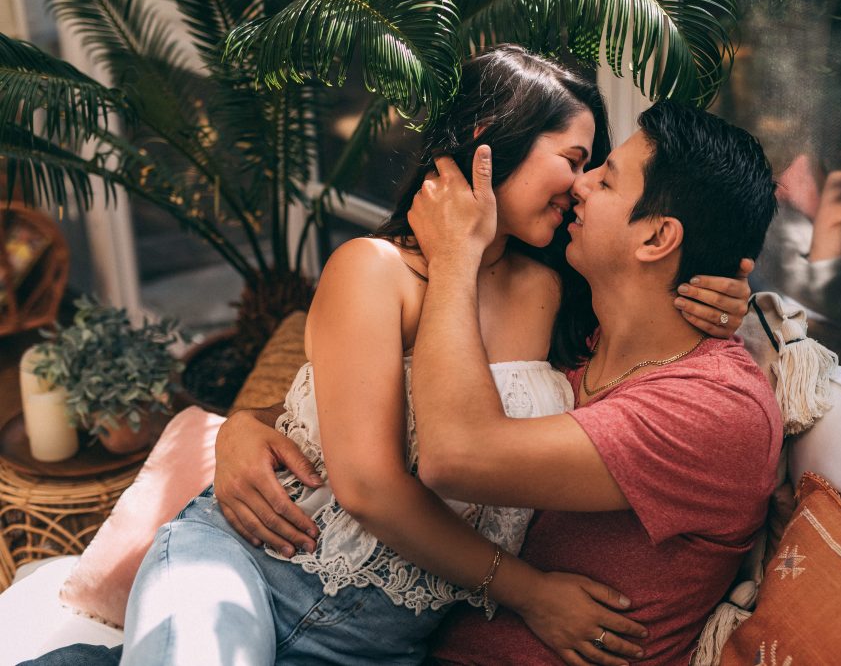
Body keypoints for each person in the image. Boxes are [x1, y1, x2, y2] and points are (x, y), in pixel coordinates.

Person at [22, 47, 751, 666]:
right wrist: (528, 589)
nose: (581, 185)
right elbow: (368, 484)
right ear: (490, 137)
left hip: (384, 644)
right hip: (251, 567)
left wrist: (727, 295)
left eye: (598, 170)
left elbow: (651, 292)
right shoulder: (373, 269)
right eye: (573, 159)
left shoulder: (558, 293)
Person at [215, 102, 781, 664]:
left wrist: (456, 254)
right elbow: (386, 407)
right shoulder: (575, 342)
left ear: (657, 239)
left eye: (604, 179)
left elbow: (454, 454)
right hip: (358, 624)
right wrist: (246, 424)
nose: (579, 187)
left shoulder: (713, 409)